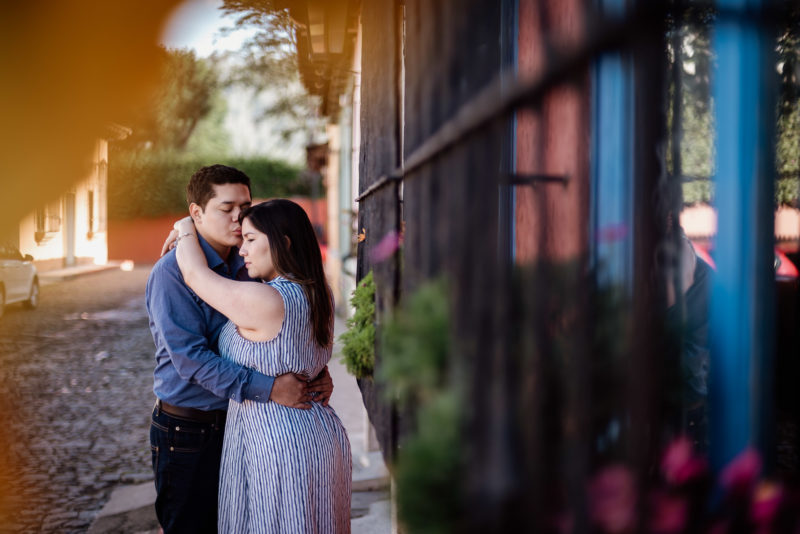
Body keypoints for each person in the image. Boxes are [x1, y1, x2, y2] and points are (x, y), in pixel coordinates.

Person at [146, 165, 334, 533]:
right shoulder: (171, 273)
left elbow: (284, 326)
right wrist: (271, 387)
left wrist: (312, 369)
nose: (238, 218)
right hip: (190, 430)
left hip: (247, 425)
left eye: (245, 206)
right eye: (226, 207)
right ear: (196, 212)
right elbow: (192, 360)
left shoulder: (251, 261)